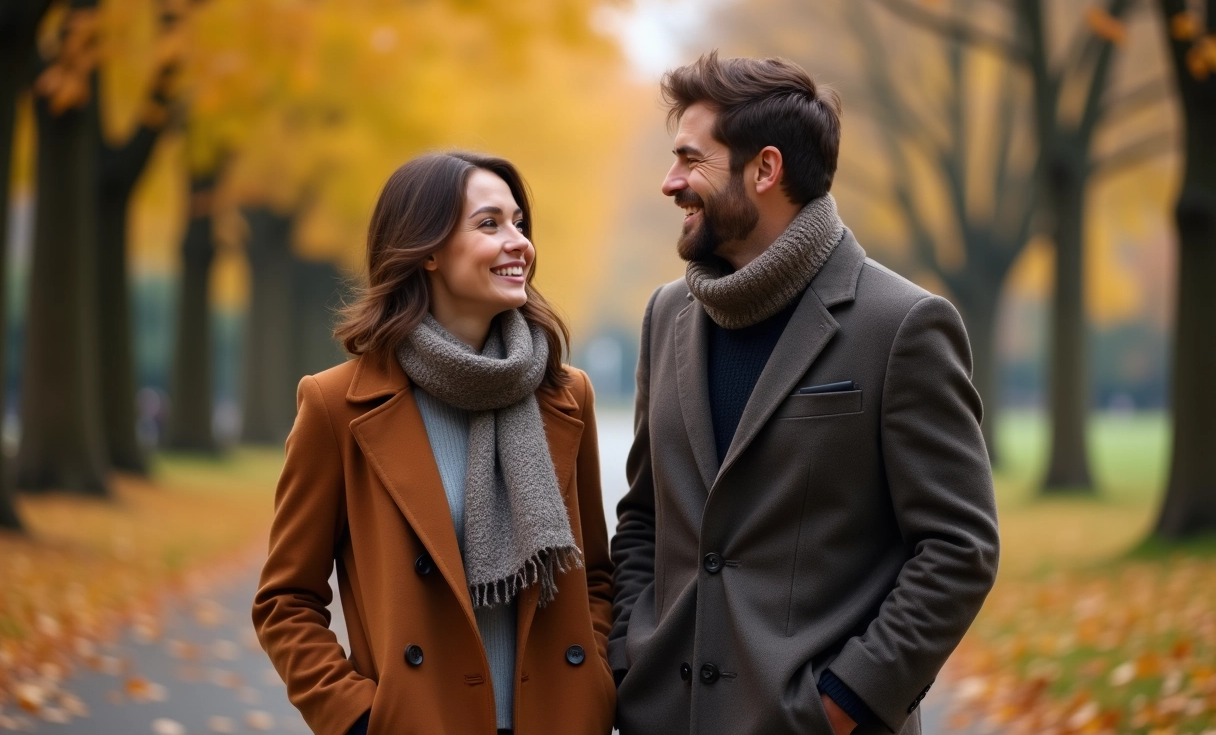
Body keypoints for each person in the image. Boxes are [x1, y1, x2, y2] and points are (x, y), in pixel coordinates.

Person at [609, 52, 1000, 735]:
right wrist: (629, 657)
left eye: (691, 160)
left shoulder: (901, 324)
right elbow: (645, 516)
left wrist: (845, 704)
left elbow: (958, 547)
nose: (671, 183)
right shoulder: (665, 316)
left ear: (765, 169)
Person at [253, 152, 616, 735]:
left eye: (519, 223)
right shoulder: (337, 405)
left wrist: (593, 680)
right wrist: (358, 718)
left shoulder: (567, 395)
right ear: (426, 250)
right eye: (490, 224)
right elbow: (286, 601)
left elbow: (594, 574)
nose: (519, 243)